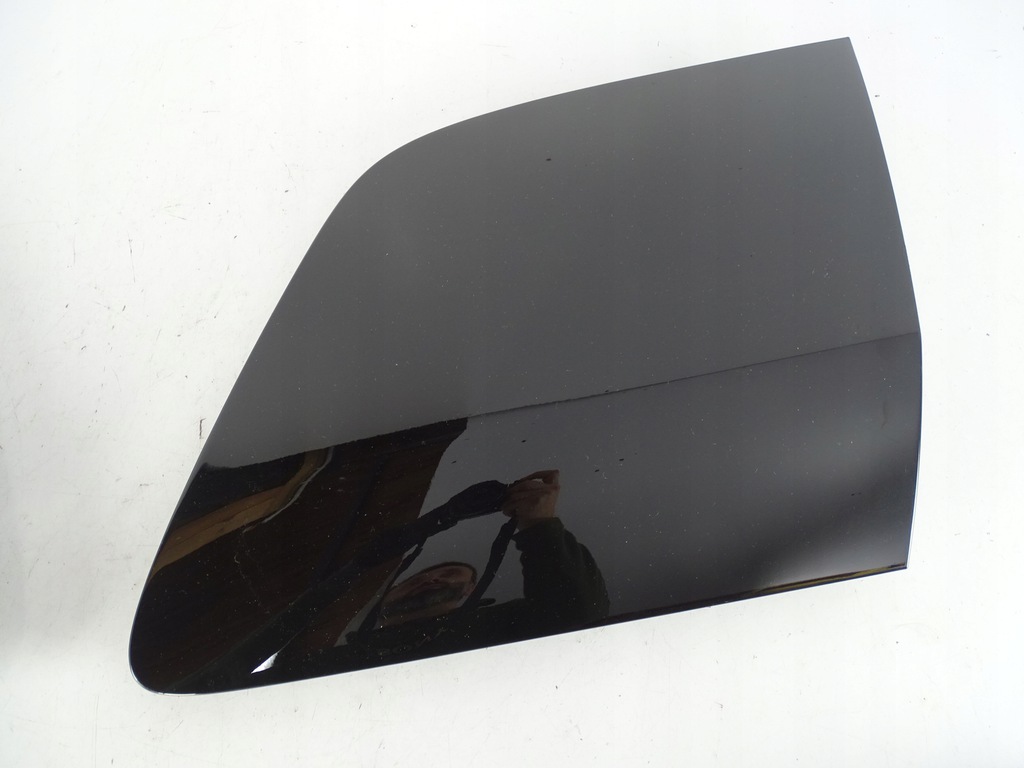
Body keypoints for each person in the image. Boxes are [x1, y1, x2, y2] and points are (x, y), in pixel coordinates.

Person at [265, 470, 609, 682]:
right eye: (416, 578)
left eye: (450, 575)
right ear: (384, 596)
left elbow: (578, 617)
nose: (431, 579)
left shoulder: (498, 630)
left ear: (472, 592)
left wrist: (538, 525)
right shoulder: (330, 658)